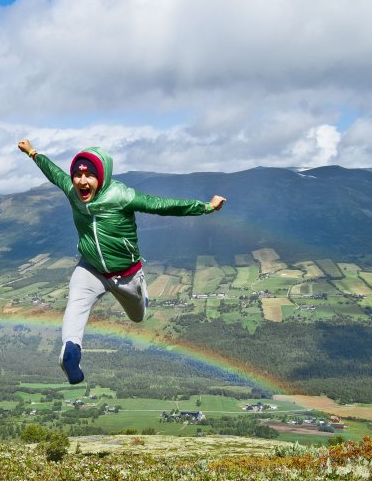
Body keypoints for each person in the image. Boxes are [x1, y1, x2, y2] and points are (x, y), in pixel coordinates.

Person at [17, 139, 226, 384]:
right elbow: (54, 172)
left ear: (102, 177)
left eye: (89, 176)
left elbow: (163, 205)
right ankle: (71, 350)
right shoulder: (73, 190)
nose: (81, 181)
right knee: (76, 301)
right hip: (91, 267)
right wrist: (32, 153)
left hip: (126, 275)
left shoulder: (121, 196)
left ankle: (126, 306)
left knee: (138, 316)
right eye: (77, 175)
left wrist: (206, 207)